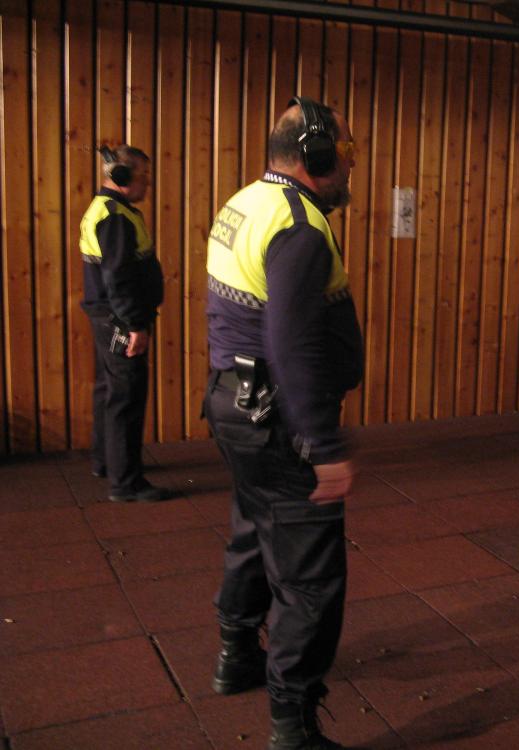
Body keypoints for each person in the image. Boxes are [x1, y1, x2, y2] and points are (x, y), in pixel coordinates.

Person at [204, 97, 363, 750]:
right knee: (311, 578)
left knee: (253, 529)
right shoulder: (298, 225)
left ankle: (236, 654)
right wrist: (323, 444)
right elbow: (292, 343)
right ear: (315, 155)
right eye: (346, 153)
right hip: (280, 419)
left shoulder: (244, 203)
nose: (350, 166)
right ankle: (293, 726)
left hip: (234, 402)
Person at [79, 144, 168, 502]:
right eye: (143, 177)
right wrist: (135, 325)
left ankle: (107, 461)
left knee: (109, 390)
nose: (148, 184)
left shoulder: (106, 209)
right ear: (121, 176)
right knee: (126, 396)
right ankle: (126, 482)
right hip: (119, 319)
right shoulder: (115, 217)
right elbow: (119, 277)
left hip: (105, 316)